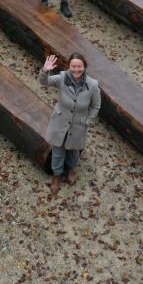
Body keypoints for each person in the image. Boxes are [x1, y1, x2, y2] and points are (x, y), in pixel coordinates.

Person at [39, 54, 102, 194]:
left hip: (79, 125)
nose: (76, 69)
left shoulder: (92, 85)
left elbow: (96, 106)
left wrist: (87, 121)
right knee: (57, 151)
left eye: (79, 66)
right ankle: (56, 176)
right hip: (60, 122)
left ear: (84, 67)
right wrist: (45, 70)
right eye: (73, 66)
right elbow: (44, 82)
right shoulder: (61, 78)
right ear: (69, 66)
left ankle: (71, 170)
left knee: (74, 151)